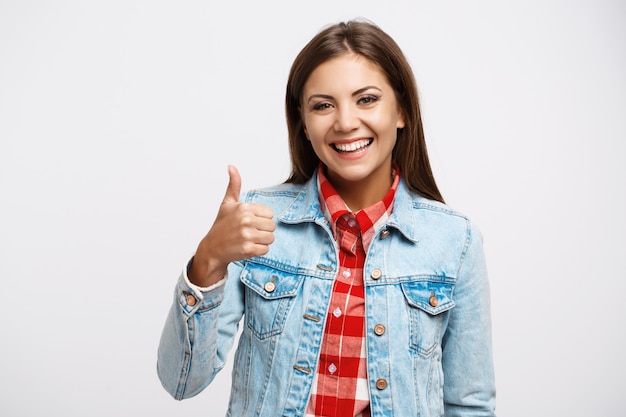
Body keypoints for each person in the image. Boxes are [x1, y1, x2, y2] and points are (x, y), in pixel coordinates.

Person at [157, 19, 496, 417]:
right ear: (302, 122)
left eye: (366, 99)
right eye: (323, 105)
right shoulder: (257, 221)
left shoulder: (456, 240)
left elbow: (468, 403)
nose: (346, 122)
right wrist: (208, 262)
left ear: (401, 110)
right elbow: (181, 382)